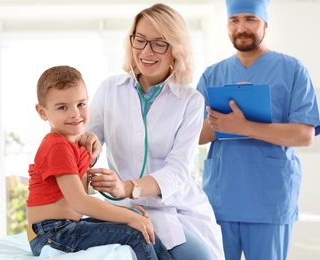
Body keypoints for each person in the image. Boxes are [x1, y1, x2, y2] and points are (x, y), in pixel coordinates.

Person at [86, 3, 224, 260]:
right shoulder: (109, 89)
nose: (146, 51)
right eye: (140, 40)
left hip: (174, 207)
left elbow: (177, 171)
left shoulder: (190, 101)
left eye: (159, 43)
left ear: (176, 50)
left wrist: (127, 187)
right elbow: (87, 144)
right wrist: (87, 146)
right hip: (124, 208)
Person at [196, 0, 320, 259]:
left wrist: (245, 126)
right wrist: (226, 124)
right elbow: (193, 135)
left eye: (250, 19)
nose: (241, 27)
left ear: (265, 23)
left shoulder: (292, 70)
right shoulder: (213, 74)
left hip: (269, 199)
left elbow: (305, 134)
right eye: (234, 20)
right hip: (222, 198)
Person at [26, 65, 168, 259]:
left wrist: (127, 213)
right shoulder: (56, 146)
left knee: (139, 221)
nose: (75, 113)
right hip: (50, 233)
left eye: (81, 104)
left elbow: (83, 169)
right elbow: (80, 202)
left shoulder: (72, 144)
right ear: (42, 112)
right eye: (62, 107)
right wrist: (128, 216)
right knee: (135, 233)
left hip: (65, 227)